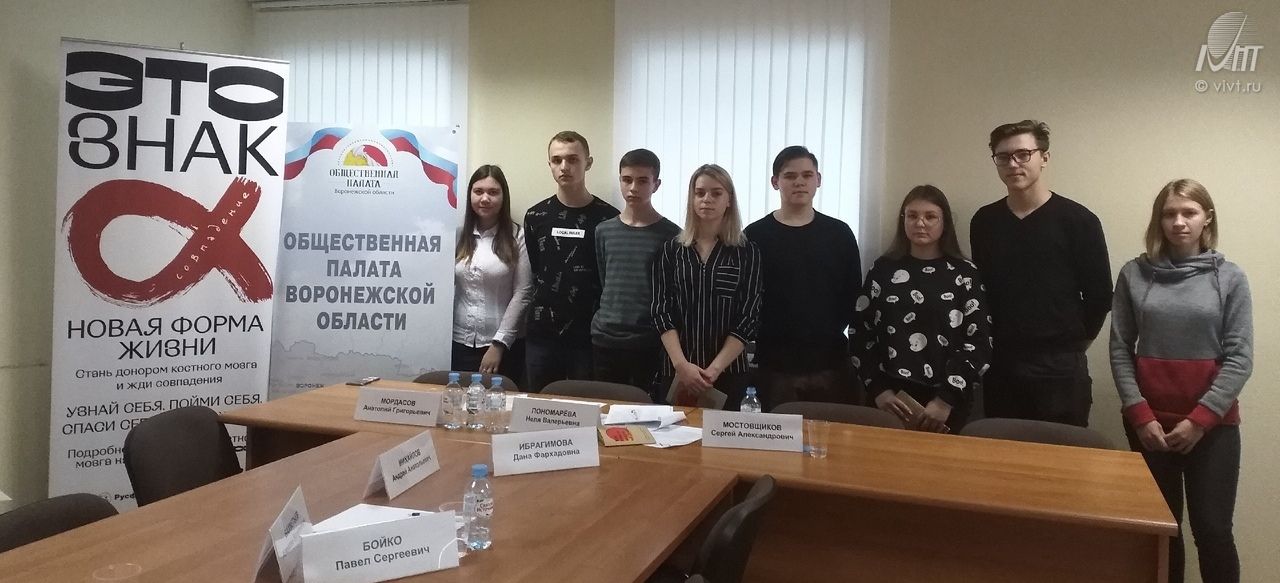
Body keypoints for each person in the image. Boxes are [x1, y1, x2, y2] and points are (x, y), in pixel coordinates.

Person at [1110, 179, 1252, 583]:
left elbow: (1240, 357)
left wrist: (1199, 421)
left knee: (1213, 532)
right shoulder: (1134, 274)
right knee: (1161, 533)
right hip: (1150, 427)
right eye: (1169, 213)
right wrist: (1140, 417)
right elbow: (1120, 348)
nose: (1179, 222)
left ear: (1207, 218)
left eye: (1189, 212)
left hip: (1212, 428)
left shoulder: (1231, 278)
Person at [970, 120, 1112, 427]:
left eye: (1023, 154)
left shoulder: (1079, 221)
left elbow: (1100, 296)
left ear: (1044, 157)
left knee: (1060, 454)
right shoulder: (984, 221)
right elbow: (982, 292)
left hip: (1060, 369)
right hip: (1001, 365)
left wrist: (1071, 345)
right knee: (1001, 451)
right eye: (1003, 157)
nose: (1013, 164)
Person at [854, 185, 990, 432]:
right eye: (912, 216)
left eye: (930, 216)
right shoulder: (883, 270)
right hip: (889, 398)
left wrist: (946, 399)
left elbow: (979, 342)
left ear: (944, 222)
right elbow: (860, 332)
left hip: (946, 402)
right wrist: (879, 390)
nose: (920, 223)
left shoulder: (964, 274)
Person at [744, 146, 861, 409]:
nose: (799, 182)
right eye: (790, 176)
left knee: (833, 435)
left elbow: (853, 296)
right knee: (776, 435)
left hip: (830, 363)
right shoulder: (755, 235)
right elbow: (747, 300)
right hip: (774, 366)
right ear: (775, 182)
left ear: (818, 180)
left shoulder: (839, 234)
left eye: (807, 175)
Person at [652, 164, 762, 409]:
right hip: (677, 371)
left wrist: (713, 370)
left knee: (724, 435)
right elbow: (661, 312)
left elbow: (748, 317)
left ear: (729, 200)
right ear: (691, 199)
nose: (707, 199)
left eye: (716, 193)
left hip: (728, 374)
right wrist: (682, 366)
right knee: (677, 432)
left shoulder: (747, 252)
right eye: (700, 193)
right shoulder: (671, 250)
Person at [523, 131, 620, 392]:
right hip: (542, 334)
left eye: (573, 159)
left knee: (586, 406)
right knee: (538, 407)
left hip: (588, 336)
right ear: (549, 164)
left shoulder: (609, 219)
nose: (564, 167)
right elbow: (536, 269)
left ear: (588, 163)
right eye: (557, 160)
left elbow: (609, 276)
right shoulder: (536, 216)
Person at [591, 149, 681, 400]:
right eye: (627, 179)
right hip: (605, 339)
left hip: (648, 341)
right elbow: (604, 279)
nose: (633, 188)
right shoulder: (604, 231)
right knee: (605, 411)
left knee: (644, 411)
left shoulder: (671, 235)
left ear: (656, 185)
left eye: (642, 181)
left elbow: (670, 293)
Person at [451, 165, 530, 383]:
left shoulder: (518, 237)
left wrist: (498, 344)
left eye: (493, 192)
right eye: (478, 191)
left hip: (503, 348)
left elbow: (523, 293)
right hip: (458, 342)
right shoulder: (458, 236)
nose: (485, 198)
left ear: (504, 197)